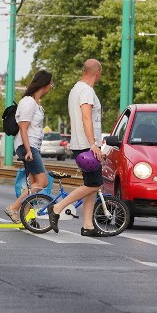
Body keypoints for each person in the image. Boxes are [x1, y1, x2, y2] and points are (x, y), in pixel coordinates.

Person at [48, 59, 104, 237]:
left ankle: (88, 225)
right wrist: (93, 143)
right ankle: (57, 207)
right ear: (98, 73)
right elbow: (86, 117)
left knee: (91, 184)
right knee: (96, 183)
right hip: (87, 145)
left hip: (80, 143)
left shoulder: (75, 89)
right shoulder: (87, 91)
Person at [4, 69, 54, 223]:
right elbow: (23, 128)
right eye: (50, 83)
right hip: (28, 147)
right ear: (44, 84)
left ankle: (26, 217)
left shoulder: (35, 103)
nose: (52, 86)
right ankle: (13, 207)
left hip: (32, 147)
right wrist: (28, 150)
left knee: (34, 184)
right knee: (43, 182)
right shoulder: (29, 102)